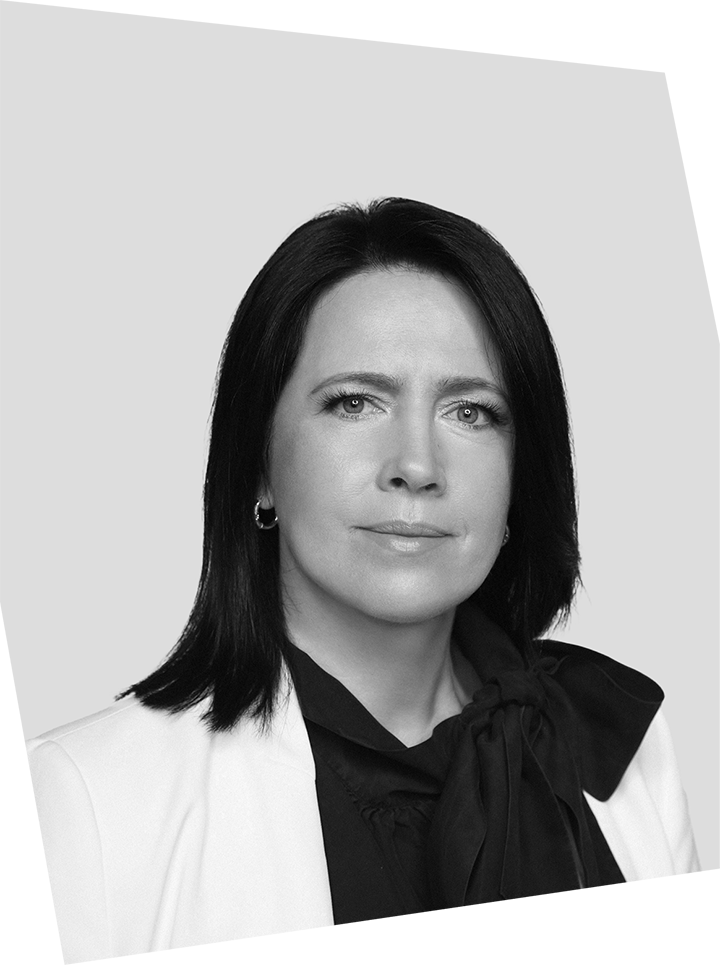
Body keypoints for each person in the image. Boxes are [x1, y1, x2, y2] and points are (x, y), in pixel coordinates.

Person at [26, 198, 699, 964]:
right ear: (259, 466)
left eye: (471, 412)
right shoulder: (87, 796)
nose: (416, 465)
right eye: (354, 402)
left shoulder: (617, 749)